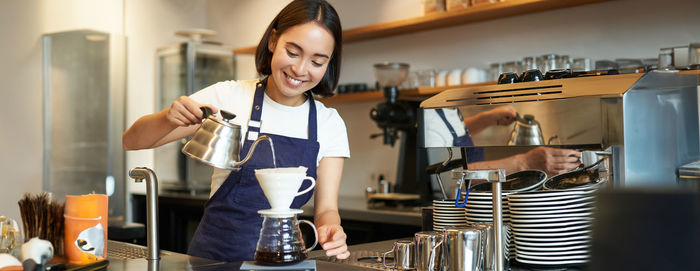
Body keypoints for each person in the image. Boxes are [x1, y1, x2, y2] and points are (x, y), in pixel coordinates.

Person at [122, 0, 350, 262]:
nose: (300, 70)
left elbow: (327, 210)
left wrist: (330, 229)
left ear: (329, 63)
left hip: (282, 260)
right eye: (293, 52)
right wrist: (168, 117)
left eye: (317, 61)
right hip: (214, 261)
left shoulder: (328, 122)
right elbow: (132, 140)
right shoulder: (229, 97)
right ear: (273, 41)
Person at [425, 105, 581, 177]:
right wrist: (525, 163)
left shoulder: (448, 110)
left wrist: (485, 119)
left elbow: (452, 134)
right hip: (458, 204)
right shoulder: (430, 120)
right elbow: (451, 176)